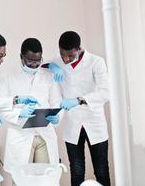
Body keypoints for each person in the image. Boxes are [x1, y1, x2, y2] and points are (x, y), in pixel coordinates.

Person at [47, 31, 110, 186]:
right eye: (62, 54)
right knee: (76, 170)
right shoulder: (58, 62)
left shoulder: (96, 62)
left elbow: (105, 92)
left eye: (70, 55)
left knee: (101, 170)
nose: (66, 59)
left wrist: (79, 100)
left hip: (94, 122)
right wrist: (52, 65)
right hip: (72, 123)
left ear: (79, 49)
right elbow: (41, 66)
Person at [0, 38, 62, 185]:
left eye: (37, 61)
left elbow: (56, 101)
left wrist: (57, 116)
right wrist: (19, 113)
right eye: (29, 61)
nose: (34, 65)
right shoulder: (7, 76)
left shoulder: (48, 75)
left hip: (44, 134)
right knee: (20, 181)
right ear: (21, 57)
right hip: (20, 134)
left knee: (46, 179)